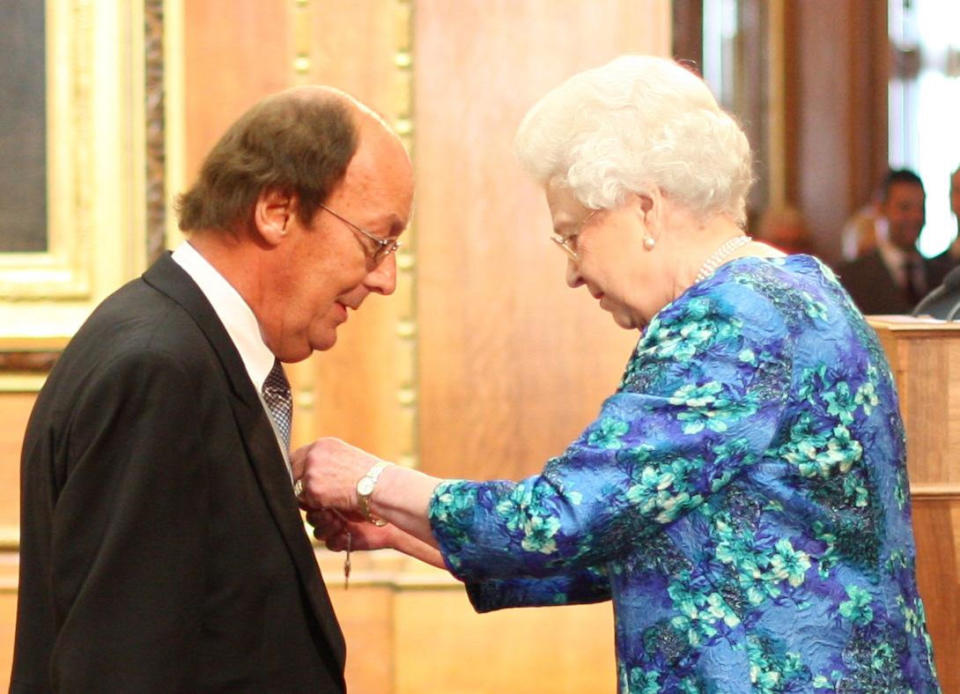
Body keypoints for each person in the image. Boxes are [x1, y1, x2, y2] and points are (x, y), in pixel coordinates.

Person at [294, 56, 941, 693]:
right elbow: (624, 547)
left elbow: (557, 518)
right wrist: (401, 531)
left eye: (573, 235)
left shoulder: (727, 321)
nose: (572, 272)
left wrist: (371, 480)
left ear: (645, 210)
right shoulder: (795, 289)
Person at [11, 86, 413, 692]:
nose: (384, 279)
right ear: (277, 209)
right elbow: (119, 668)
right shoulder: (157, 371)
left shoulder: (182, 348)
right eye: (377, 242)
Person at [837, 169, 937, 314]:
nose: (916, 217)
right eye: (905, 208)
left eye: (921, 208)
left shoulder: (944, 277)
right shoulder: (851, 278)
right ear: (881, 208)